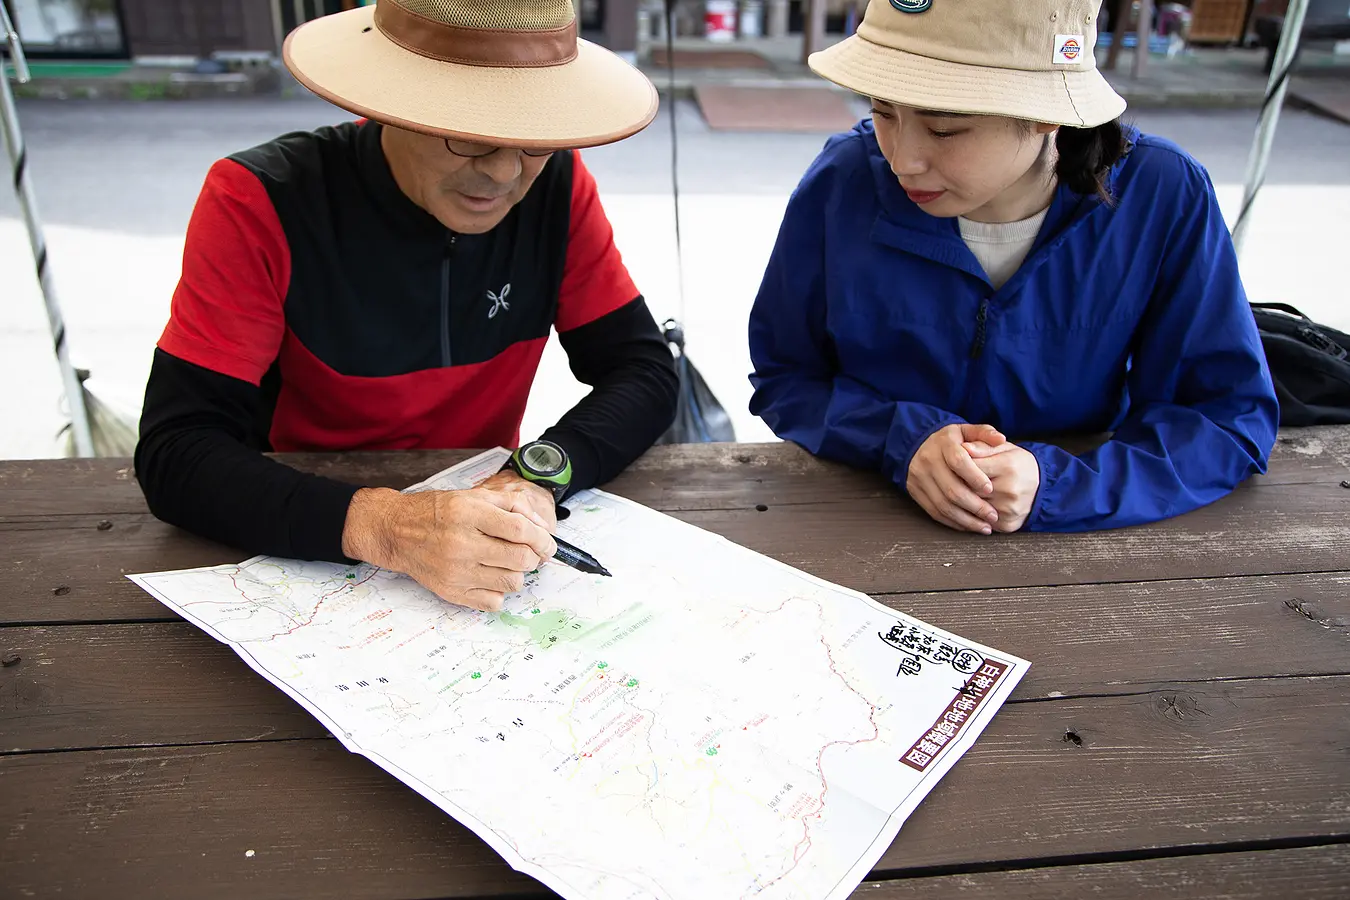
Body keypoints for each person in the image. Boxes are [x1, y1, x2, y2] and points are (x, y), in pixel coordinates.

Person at [135, 0, 678, 611]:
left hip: (483, 517)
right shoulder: (262, 198)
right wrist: (390, 527)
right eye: (469, 136)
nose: (503, 172)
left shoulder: (556, 186)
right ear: (393, 105)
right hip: (298, 527)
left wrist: (532, 480)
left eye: (533, 137)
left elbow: (646, 372)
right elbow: (175, 451)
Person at [748, 0, 1278, 535]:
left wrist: (1058, 482)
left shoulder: (1162, 193)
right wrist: (900, 438)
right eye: (882, 111)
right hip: (863, 525)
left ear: (1049, 112)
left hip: (1090, 552)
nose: (903, 159)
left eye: (944, 129)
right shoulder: (842, 182)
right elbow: (787, 377)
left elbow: (1226, 417)